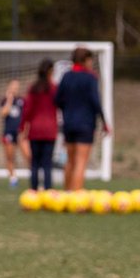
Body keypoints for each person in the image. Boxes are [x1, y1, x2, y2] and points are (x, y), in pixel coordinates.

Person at [56, 47, 111, 190]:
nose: (91, 63)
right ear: (84, 60)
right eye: (90, 60)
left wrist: (67, 111)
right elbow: (96, 102)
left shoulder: (66, 76)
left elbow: (57, 100)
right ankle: (76, 197)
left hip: (68, 124)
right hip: (85, 124)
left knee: (70, 160)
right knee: (81, 161)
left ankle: (66, 194)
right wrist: (105, 123)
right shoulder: (90, 77)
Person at [19, 59, 58, 191]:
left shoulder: (33, 88)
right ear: (51, 71)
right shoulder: (54, 88)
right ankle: (48, 191)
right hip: (50, 131)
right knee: (47, 163)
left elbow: (27, 109)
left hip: (35, 130)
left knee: (35, 163)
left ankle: (34, 191)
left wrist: (22, 126)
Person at [0, 78, 29, 186]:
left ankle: (33, 176)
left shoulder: (22, 101)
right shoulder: (4, 101)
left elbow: (26, 116)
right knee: (10, 157)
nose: (15, 89)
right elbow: (3, 113)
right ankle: (13, 179)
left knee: (28, 155)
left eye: (17, 87)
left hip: (20, 133)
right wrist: (9, 100)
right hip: (9, 133)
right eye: (13, 86)